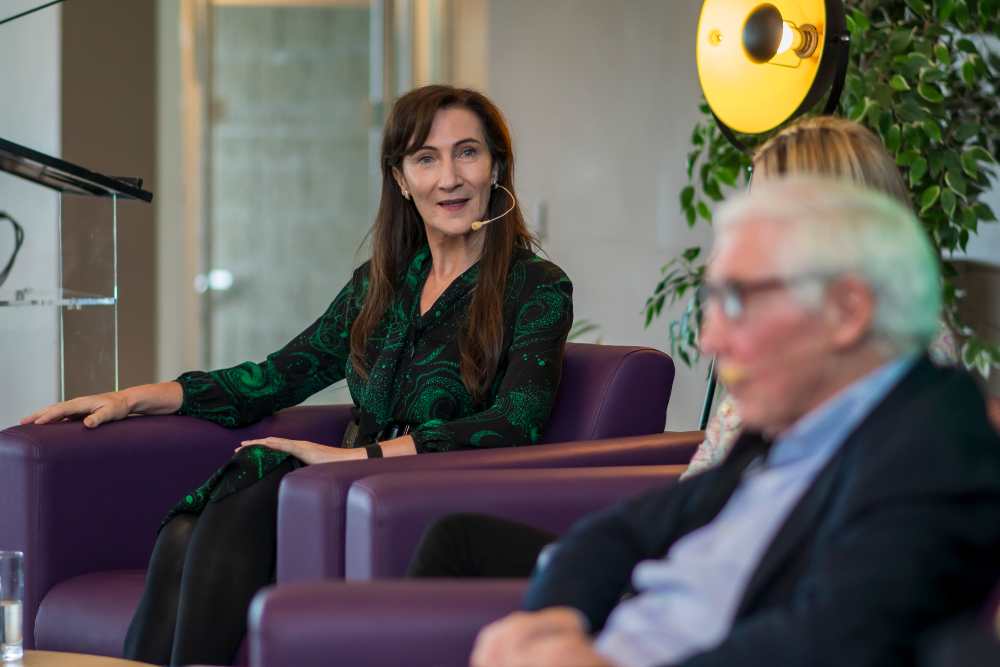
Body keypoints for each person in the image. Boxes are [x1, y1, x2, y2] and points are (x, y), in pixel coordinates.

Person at [21, 85, 573, 666]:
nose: (449, 178)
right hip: (337, 497)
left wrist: (357, 460)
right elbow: (276, 377)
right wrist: (131, 397)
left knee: (262, 480)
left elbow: (515, 422)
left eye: (467, 153)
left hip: (421, 504)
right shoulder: (379, 283)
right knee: (191, 527)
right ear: (401, 179)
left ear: (496, 168)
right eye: (425, 158)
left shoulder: (536, 286)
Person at [404, 116, 970, 578]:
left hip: (697, 584)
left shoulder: (890, 371)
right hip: (675, 559)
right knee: (460, 539)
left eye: (765, 204)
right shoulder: (800, 345)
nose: (711, 339)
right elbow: (704, 496)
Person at [470, 176, 1000, 667]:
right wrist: (553, 618)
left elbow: (829, 641)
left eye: (736, 300)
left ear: (848, 310)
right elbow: (620, 531)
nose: (709, 339)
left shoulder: (935, 442)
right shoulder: (786, 430)